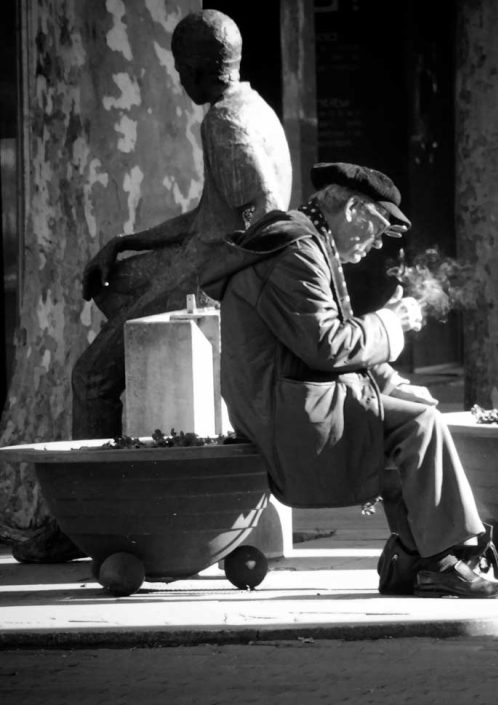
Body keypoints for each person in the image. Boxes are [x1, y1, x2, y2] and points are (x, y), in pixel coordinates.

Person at [13, 10, 292, 564]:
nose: (180, 79)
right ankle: (121, 432)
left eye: (180, 69)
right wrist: (126, 242)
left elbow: (259, 216)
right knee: (111, 282)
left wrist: (236, 293)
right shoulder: (253, 108)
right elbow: (208, 216)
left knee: (89, 377)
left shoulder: (224, 123)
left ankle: (81, 520)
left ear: (194, 68)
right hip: (201, 258)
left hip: (208, 276)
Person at [203, 162, 498, 598]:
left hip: (296, 400)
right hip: (284, 415)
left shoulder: (307, 243)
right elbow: (329, 345)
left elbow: (332, 344)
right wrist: (393, 322)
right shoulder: (295, 252)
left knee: (414, 415)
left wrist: (392, 382)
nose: (376, 245)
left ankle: (415, 561)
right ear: (353, 208)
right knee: (419, 426)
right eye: (378, 229)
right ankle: (440, 559)